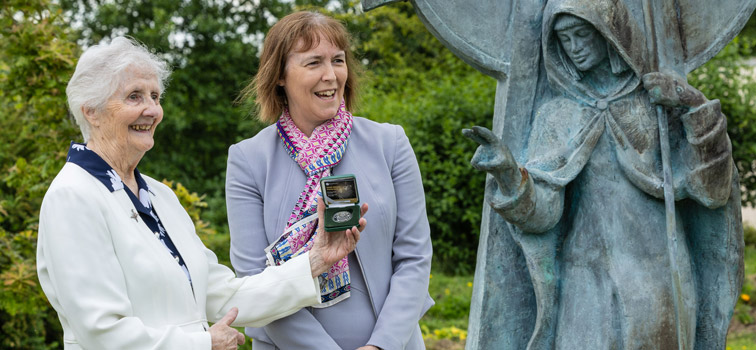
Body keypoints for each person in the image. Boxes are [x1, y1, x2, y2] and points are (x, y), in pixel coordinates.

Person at [36, 36, 366, 350]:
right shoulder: (73, 196)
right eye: (135, 96)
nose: (152, 110)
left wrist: (315, 261)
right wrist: (203, 343)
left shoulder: (160, 196)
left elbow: (222, 295)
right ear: (90, 110)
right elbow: (101, 331)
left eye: (155, 96)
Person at [463, 0, 742, 348]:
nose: (575, 47)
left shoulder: (655, 107)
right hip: (583, 278)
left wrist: (692, 104)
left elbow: (711, 190)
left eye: (582, 34)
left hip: (658, 276)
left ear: (611, 35)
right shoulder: (557, 116)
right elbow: (544, 214)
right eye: (565, 39)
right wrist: (510, 174)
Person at [226, 11, 434, 350]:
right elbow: (254, 282)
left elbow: (414, 257)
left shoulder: (390, 143)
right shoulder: (248, 160)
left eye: (338, 60)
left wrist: (381, 345)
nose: (330, 75)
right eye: (313, 63)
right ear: (279, 75)